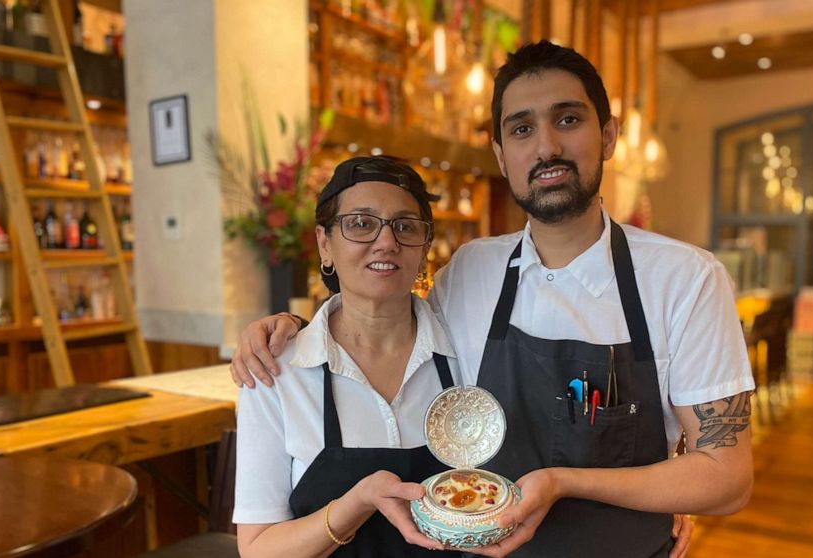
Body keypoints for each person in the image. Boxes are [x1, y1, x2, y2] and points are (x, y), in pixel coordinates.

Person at [234, 41, 753, 558]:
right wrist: (290, 329)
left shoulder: (685, 279)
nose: (546, 147)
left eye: (568, 119)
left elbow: (727, 478)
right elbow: (378, 312)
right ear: (502, 156)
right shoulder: (472, 272)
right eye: (522, 129)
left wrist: (571, 482)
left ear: (609, 135)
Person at [233, 156, 463, 557]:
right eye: (361, 223)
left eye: (405, 226)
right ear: (325, 244)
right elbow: (258, 549)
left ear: (424, 248)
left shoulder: (464, 348)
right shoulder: (277, 370)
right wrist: (356, 503)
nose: (387, 242)